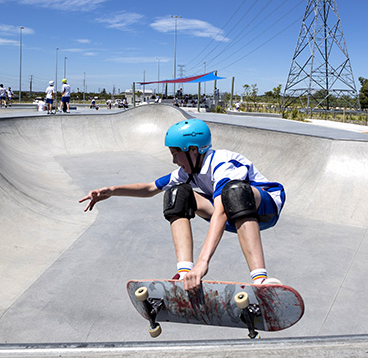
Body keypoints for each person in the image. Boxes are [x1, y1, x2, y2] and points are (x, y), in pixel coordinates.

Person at [79, 119, 285, 292]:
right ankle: (184, 272)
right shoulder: (188, 172)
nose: (174, 160)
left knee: (234, 192)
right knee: (177, 193)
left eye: (176, 153)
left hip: (264, 208)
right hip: (232, 215)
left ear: (193, 150)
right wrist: (112, 190)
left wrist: (203, 263)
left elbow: (221, 212)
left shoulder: (223, 163)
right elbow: (150, 188)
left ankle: (260, 280)